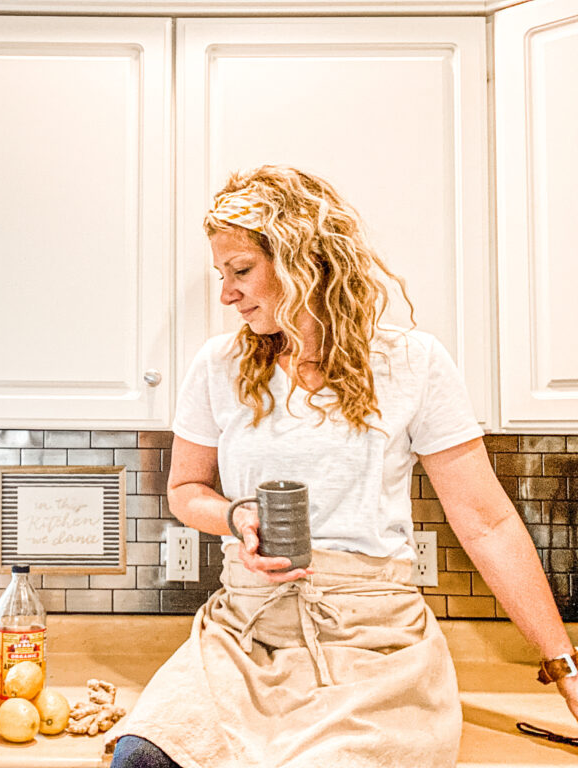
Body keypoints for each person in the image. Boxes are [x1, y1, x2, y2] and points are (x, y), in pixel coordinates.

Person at [109, 165, 578, 768]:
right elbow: (185, 489)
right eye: (222, 274)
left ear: (304, 258)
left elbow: (486, 522)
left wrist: (564, 665)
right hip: (245, 635)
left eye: (242, 271)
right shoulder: (217, 365)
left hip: (372, 643)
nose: (226, 294)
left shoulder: (412, 361)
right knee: (143, 758)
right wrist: (234, 516)